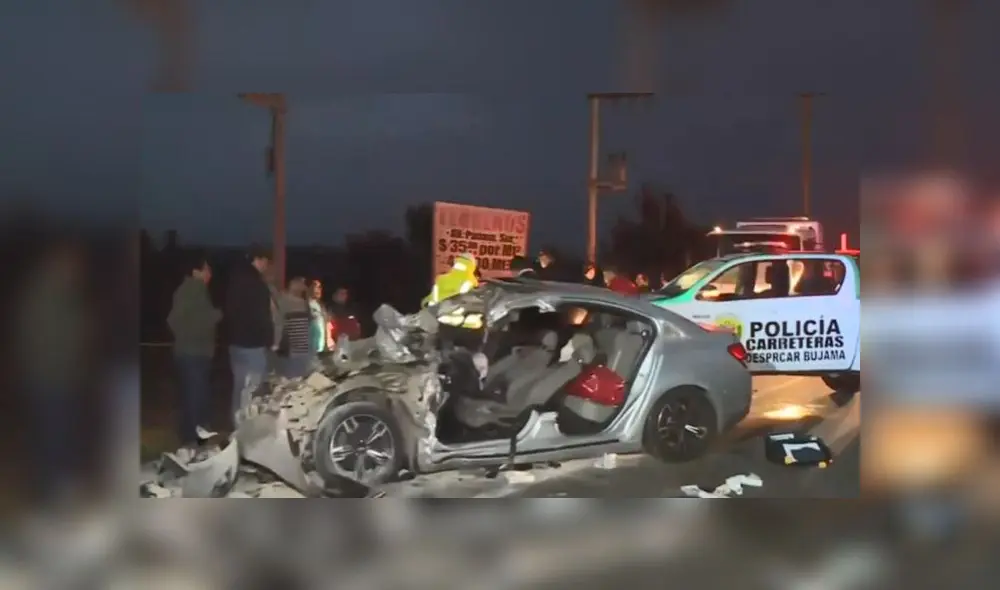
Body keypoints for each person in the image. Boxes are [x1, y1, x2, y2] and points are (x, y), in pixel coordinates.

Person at [166, 252, 222, 446]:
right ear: (196, 271)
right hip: (194, 353)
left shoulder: (190, 290)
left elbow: (182, 319)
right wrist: (216, 315)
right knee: (195, 398)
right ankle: (193, 440)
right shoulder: (193, 289)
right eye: (207, 269)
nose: (210, 273)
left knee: (193, 396)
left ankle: (191, 438)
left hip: (191, 352)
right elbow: (177, 320)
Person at [224, 245, 274, 419]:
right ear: (259, 260)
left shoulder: (234, 280)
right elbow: (262, 315)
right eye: (266, 262)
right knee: (254, 389)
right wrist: (270, 340)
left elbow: (229, 311)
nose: (267, 267)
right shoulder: (257, 284)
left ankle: (236, 423)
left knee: (239, 387)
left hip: (235, 343)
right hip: (254, 344)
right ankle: (251, 428)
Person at [275, 277, 315, 379]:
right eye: (301, 283)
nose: (304, 287)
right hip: (291, 350)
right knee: (292, 380)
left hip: (304, 349)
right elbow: (278, 324)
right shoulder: (283, 301)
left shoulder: (303, 302)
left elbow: (308, 325)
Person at [307, 279, 328, 354]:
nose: (318, 290)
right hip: (309, 349)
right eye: (315, 287)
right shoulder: (303, 305)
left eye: (319, 287)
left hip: (321, 349)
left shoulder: (321, 306)